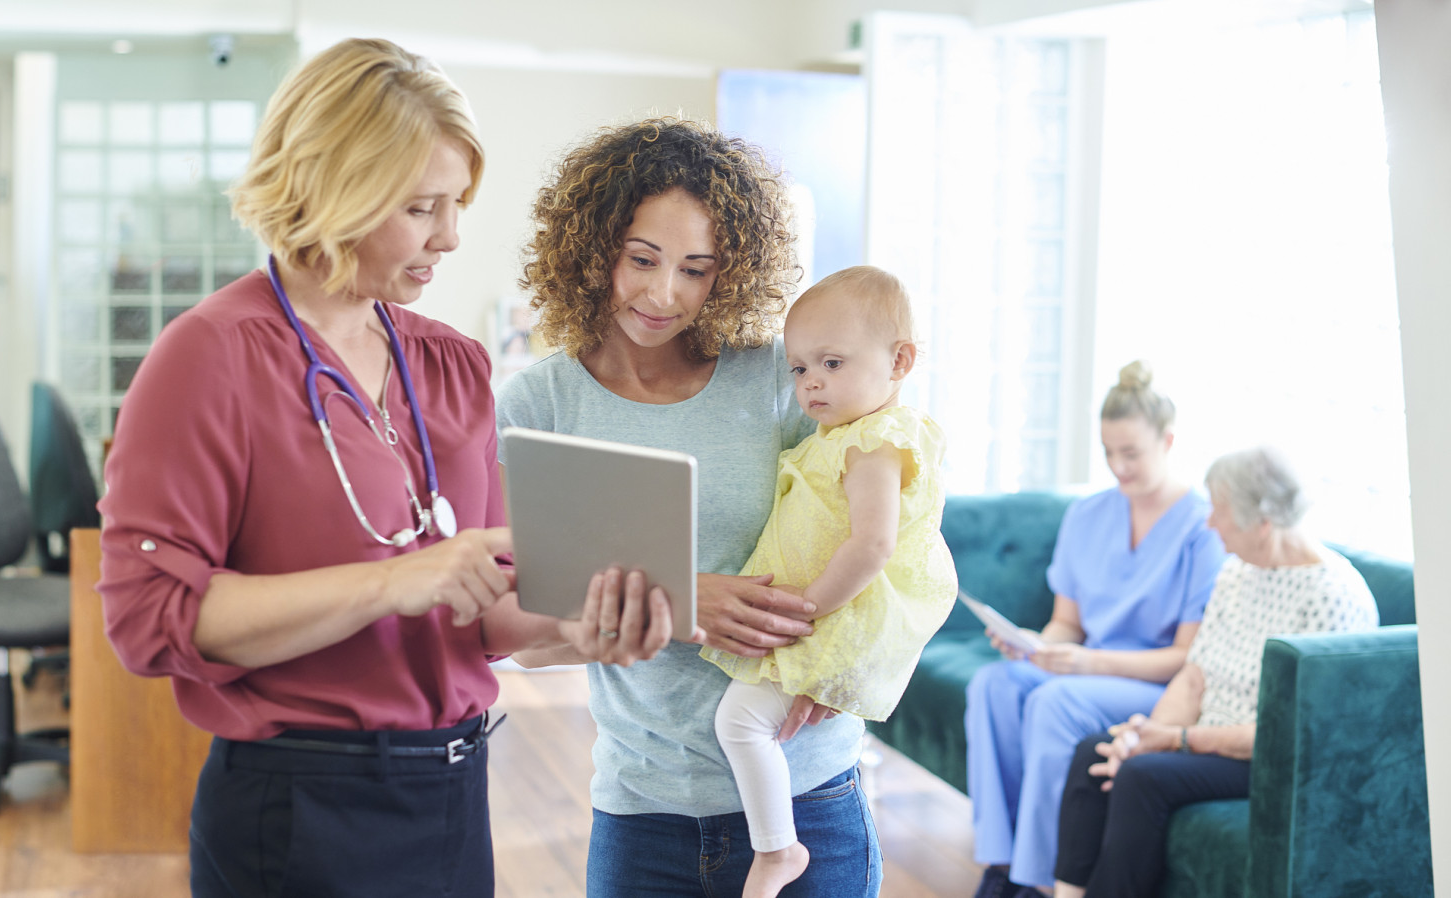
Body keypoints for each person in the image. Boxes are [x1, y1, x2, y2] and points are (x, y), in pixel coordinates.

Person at [96, 39, 670, 898]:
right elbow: (149, 621)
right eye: (420, 207)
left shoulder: (454, 365)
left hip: (451, 793)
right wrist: (394, 581)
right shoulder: (210, 357)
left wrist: (574, 632)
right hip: (298, 807)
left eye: (457, 203)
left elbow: (480, 611)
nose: (451, 234)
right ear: (336, 190)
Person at [499, 117, 882, 898]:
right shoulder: (539, 404)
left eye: (696, 269)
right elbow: (523, 642)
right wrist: (677, 599)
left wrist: (841, 669)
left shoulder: (781, 381)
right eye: (642, 259)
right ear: (593, 245)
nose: (663, 293)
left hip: (811, 802)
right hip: (646, 815)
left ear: (729, 273)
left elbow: (888, 538)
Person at [703, 266, 960, 898]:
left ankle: (777, 850)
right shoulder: (841, 435)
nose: (812, 381)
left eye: (833, 363)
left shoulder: (877, 439)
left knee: (740, 724)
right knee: (742, 721)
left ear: (900, 361)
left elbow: (875, 543)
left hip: (830, 616)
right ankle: (776, 848)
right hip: (817, 612)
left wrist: (809, 608)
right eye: (799, 369)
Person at [1050, 447, 1379, 898]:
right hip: (1205, 739)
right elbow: (1194, 676)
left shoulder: (1333, 598)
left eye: (1219, 512)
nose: (1209, 524)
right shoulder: (1236, 573)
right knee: (1097, 752)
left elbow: (1291, 735)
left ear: (1261, 522)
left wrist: (1176, 741)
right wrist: (1144, 733)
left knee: (1142, 777)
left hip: (1266, 759)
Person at [967, 361, 1228, 898]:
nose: (1118, 467)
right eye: (1109, 452)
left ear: (1169, 440)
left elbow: (1186, 657)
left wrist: (1086, 663)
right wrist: (1035, 645)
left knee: (1054, 703)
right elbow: (1068, 624)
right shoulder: (1087, 516)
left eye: (1131, 453)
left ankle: (1037, 878)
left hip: (1152, 681)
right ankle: (1000, 863)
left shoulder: (1204, 529)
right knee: (993, 684)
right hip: (1087, 668)